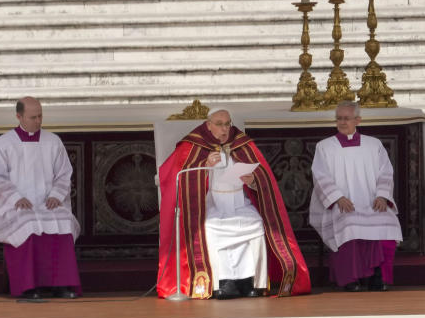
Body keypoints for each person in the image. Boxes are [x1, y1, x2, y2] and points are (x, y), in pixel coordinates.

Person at [157, 108, 311, 299]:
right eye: (219, 124)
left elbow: (265, 178)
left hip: (240, 204)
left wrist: (253, 181)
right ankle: (221, 283)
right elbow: (175, 176)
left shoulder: (242, 144)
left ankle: (254, 283)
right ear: (209, 125)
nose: (224, 129)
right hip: (213, 205)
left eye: (227, 124)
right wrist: (205, 167)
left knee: (255, 223)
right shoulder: (193, 145)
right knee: (210, 227)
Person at [0, 97, 82, 299]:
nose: (38, 121)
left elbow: (64, 173)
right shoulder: (3, 143)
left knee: (63, 222)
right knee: (28, 223)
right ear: (18, 116)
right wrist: (14, 198)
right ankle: (28, 286)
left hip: (48, 202)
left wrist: (56, 195)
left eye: (40, 116)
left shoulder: (53, 141)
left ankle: (61, 284)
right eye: (32, 117)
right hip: (18, 205)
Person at [309, 101, 402, 291]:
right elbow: (320, 176)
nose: (342, 122)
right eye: (339, 119)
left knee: (387, 222)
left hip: (371, 201)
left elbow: (386, 172)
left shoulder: (373, 144)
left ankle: (378, 276)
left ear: (358, 120)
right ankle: (350, 278)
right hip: (342, 204)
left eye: (347, 118)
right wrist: (337, 198)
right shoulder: (325, 147)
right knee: (349, 224)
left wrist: (383, 196)